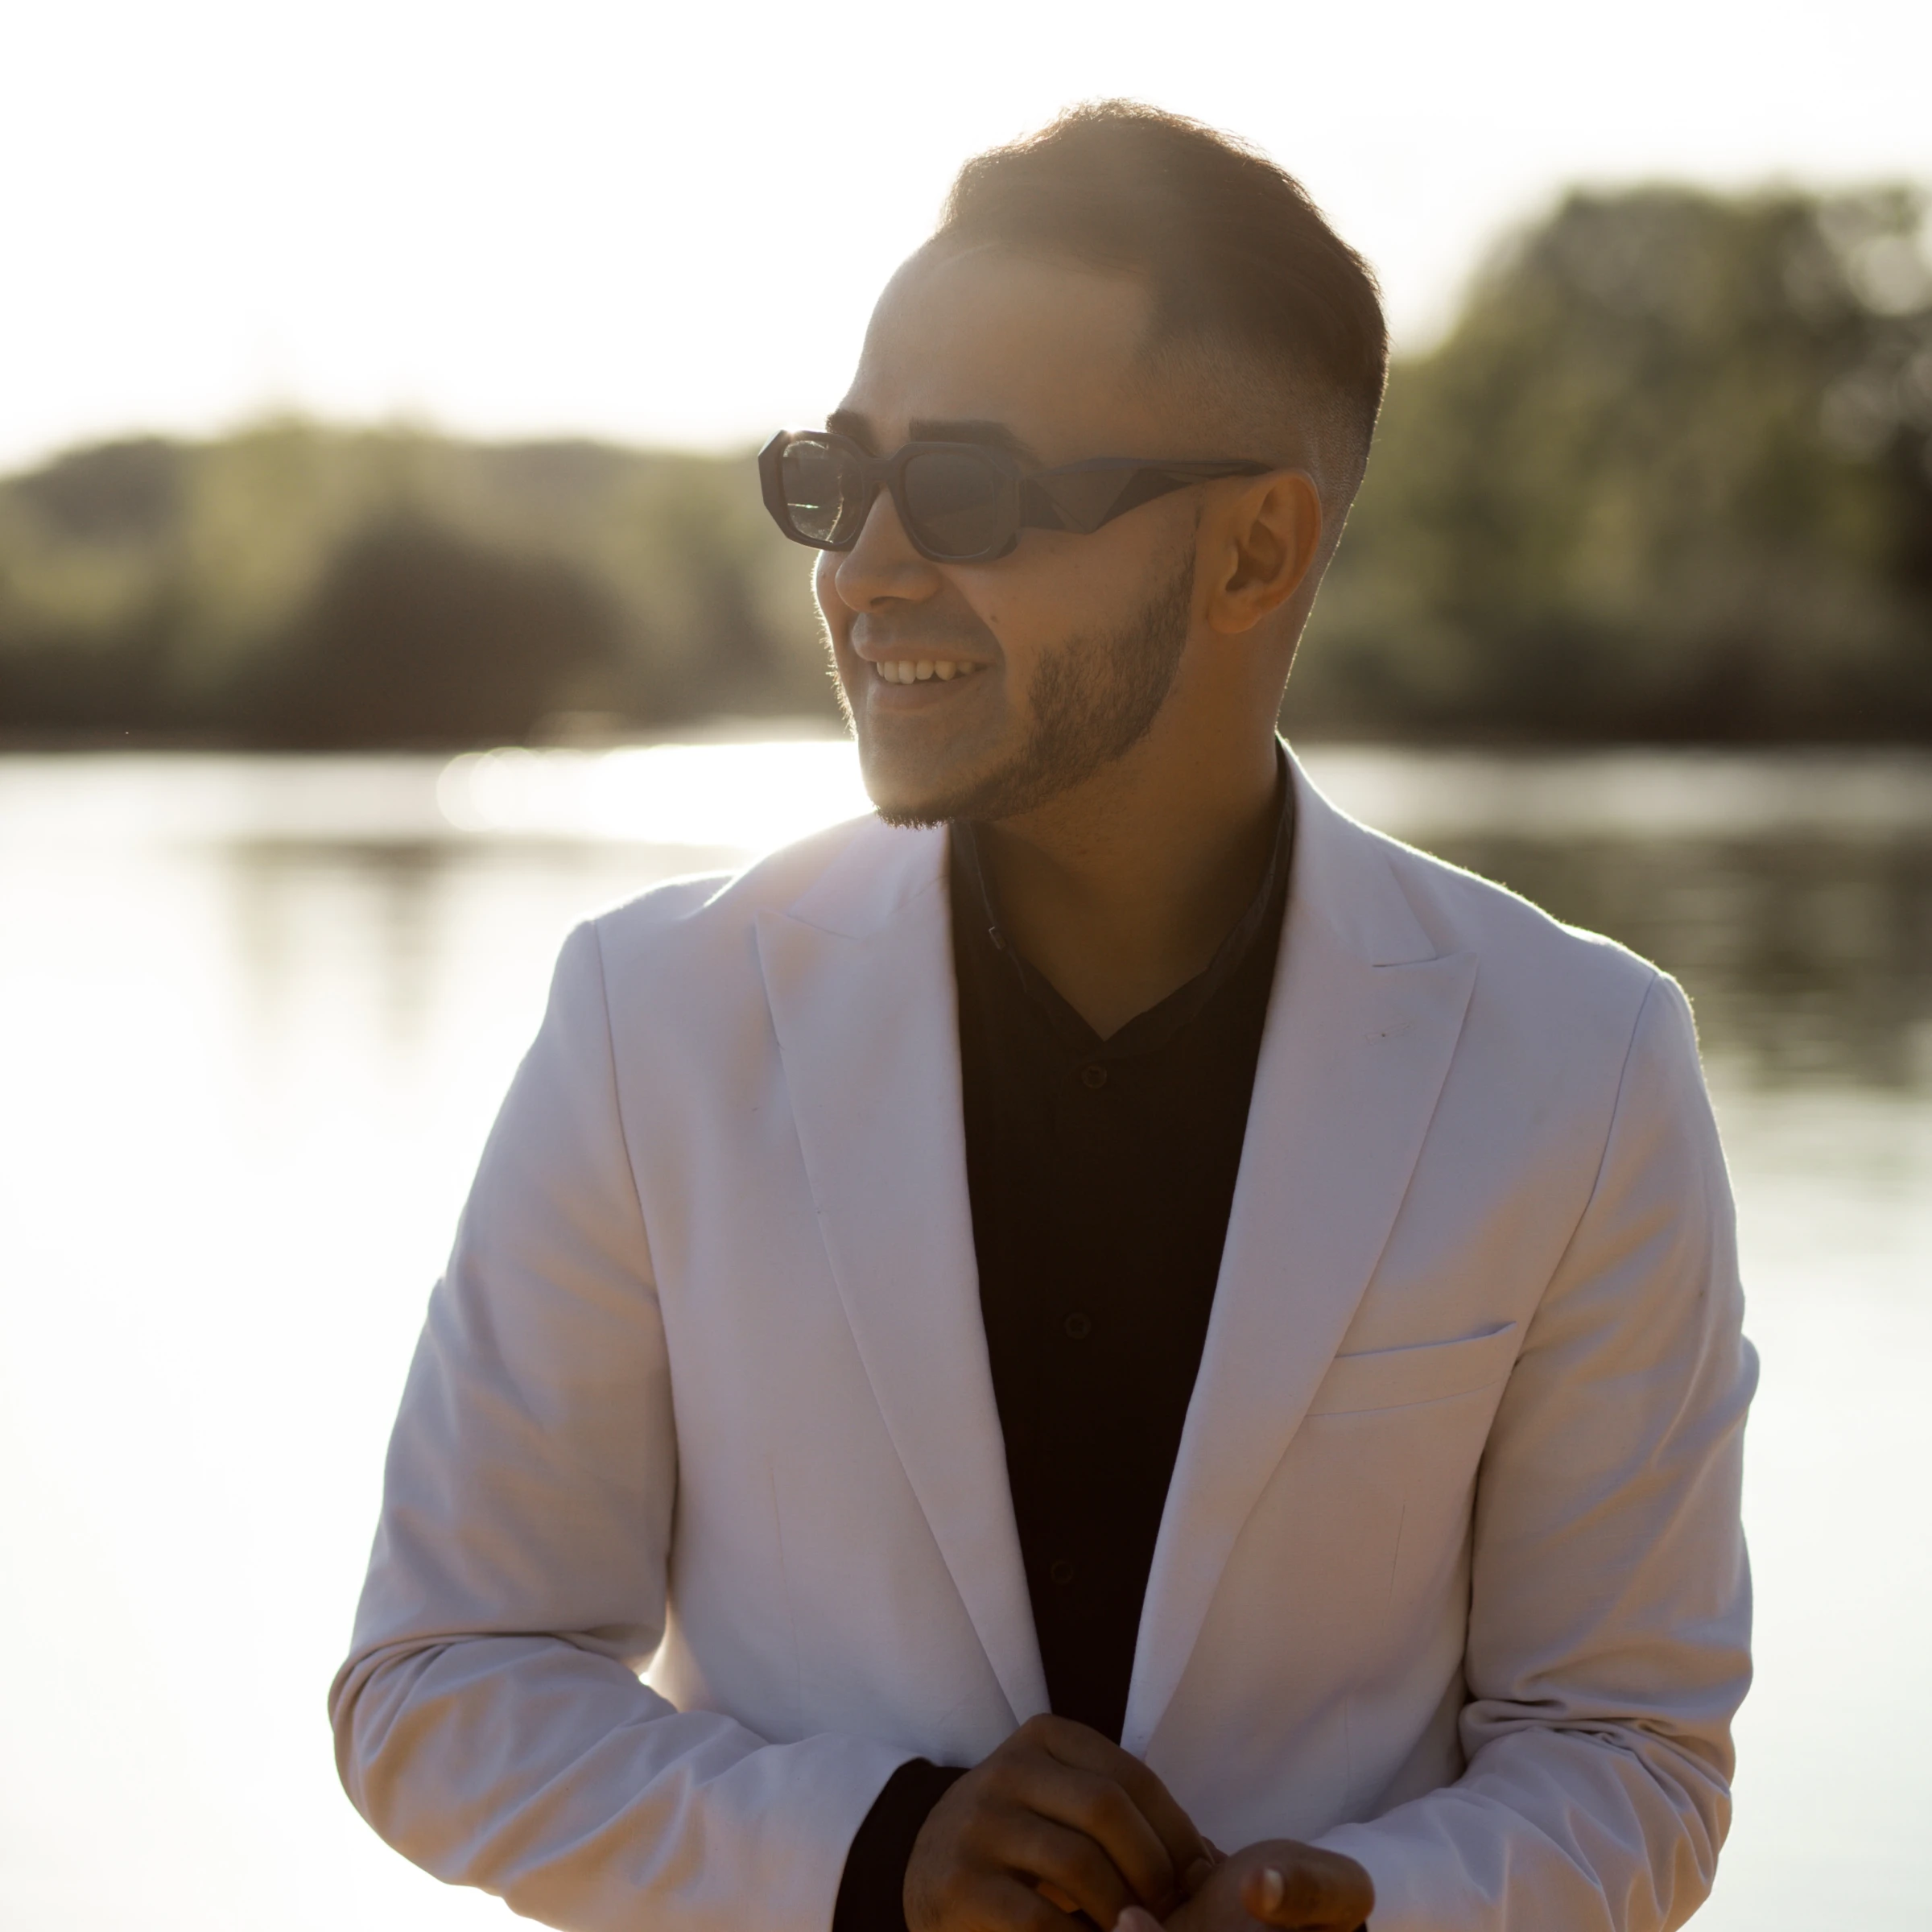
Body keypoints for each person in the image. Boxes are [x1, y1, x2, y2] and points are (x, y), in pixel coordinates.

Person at [330, 102, 1755, 1932]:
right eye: (839, 480)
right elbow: (439, 1681)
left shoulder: (1585, 1065)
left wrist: (1372, 1908)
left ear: (1253, 553)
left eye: (971, 493)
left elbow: (1630, 1753)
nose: (862, 570)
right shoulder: (650, 1020)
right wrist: (874, 1852)